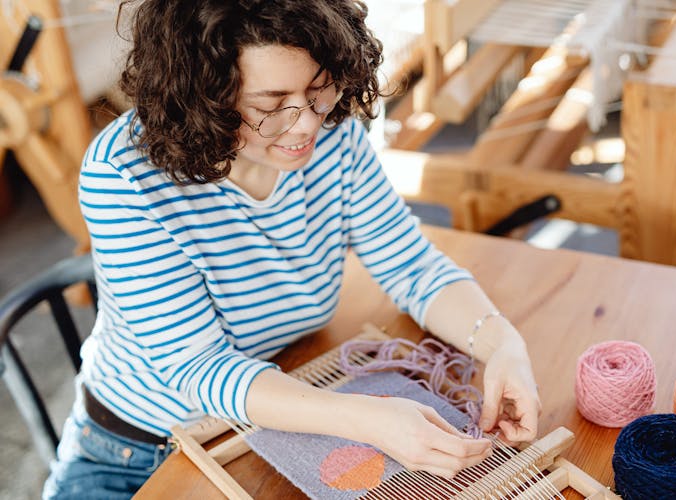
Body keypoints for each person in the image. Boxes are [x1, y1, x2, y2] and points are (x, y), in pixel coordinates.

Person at [43, 1, 541, 498]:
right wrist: (366, 420)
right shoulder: (124, 176)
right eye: (270, 105)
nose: (306, 125)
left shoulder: (332, 132)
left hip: (276, 410)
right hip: (139, 449)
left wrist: (502, 344)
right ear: (205, 93)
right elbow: (200, 367)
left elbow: (410, 265)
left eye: (318, 90)